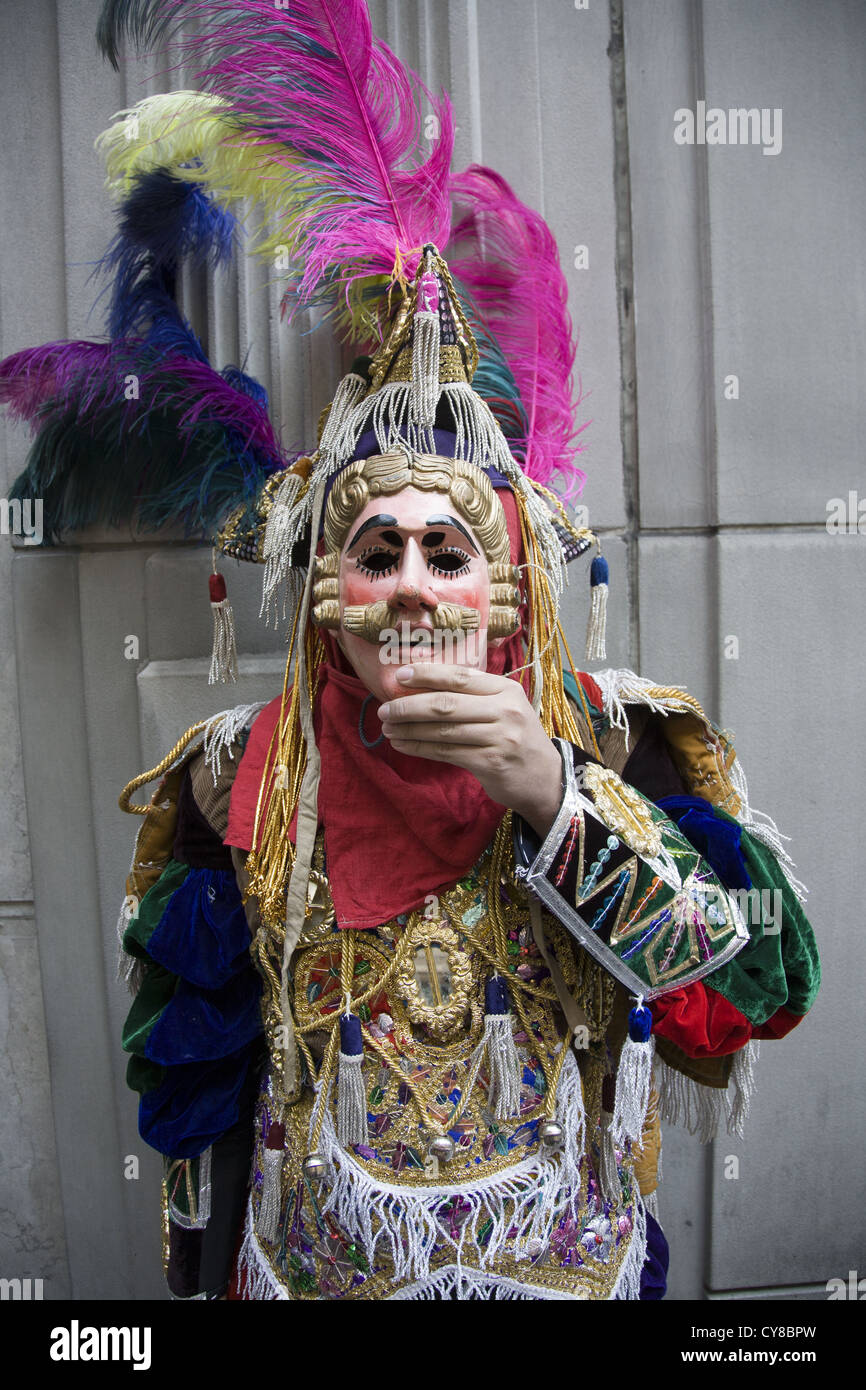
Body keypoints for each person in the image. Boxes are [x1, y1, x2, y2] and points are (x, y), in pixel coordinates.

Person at [3, 0, 819, 1301]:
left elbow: (759, 983)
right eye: (375, 553)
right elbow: (193, 1091)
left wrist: (552, 795)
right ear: (327, 598)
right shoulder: (235, 776)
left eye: (447, 554)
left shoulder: (610, 735)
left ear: (504, 598)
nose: (411, 587)